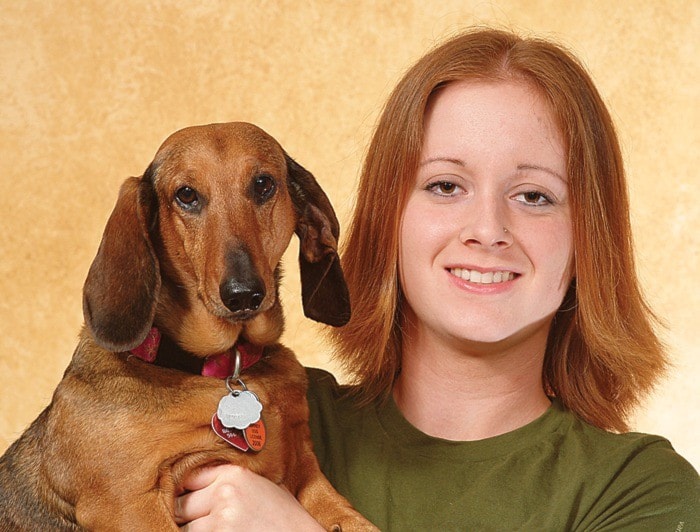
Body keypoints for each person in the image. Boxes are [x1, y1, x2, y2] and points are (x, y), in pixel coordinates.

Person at [174, 28, 699, 530]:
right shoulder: (259, 417)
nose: (488, 229)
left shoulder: (639, 490)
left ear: (590, 237)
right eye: (446, 185)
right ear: (389, 217)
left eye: (534, 196)